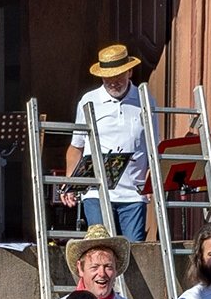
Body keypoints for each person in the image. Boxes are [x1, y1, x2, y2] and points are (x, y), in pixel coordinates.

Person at [59, 44, 153, 240]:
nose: (113, 82)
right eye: (107, 77)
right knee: (101, 245)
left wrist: (151, 181)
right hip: (96, 190)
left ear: (129, 72)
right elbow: (76, 146)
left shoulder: (145, 100)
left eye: (118, 76)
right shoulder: (89, 100)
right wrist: (70, 182)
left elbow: (153, 145)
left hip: (133, 193)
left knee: (134, 249)